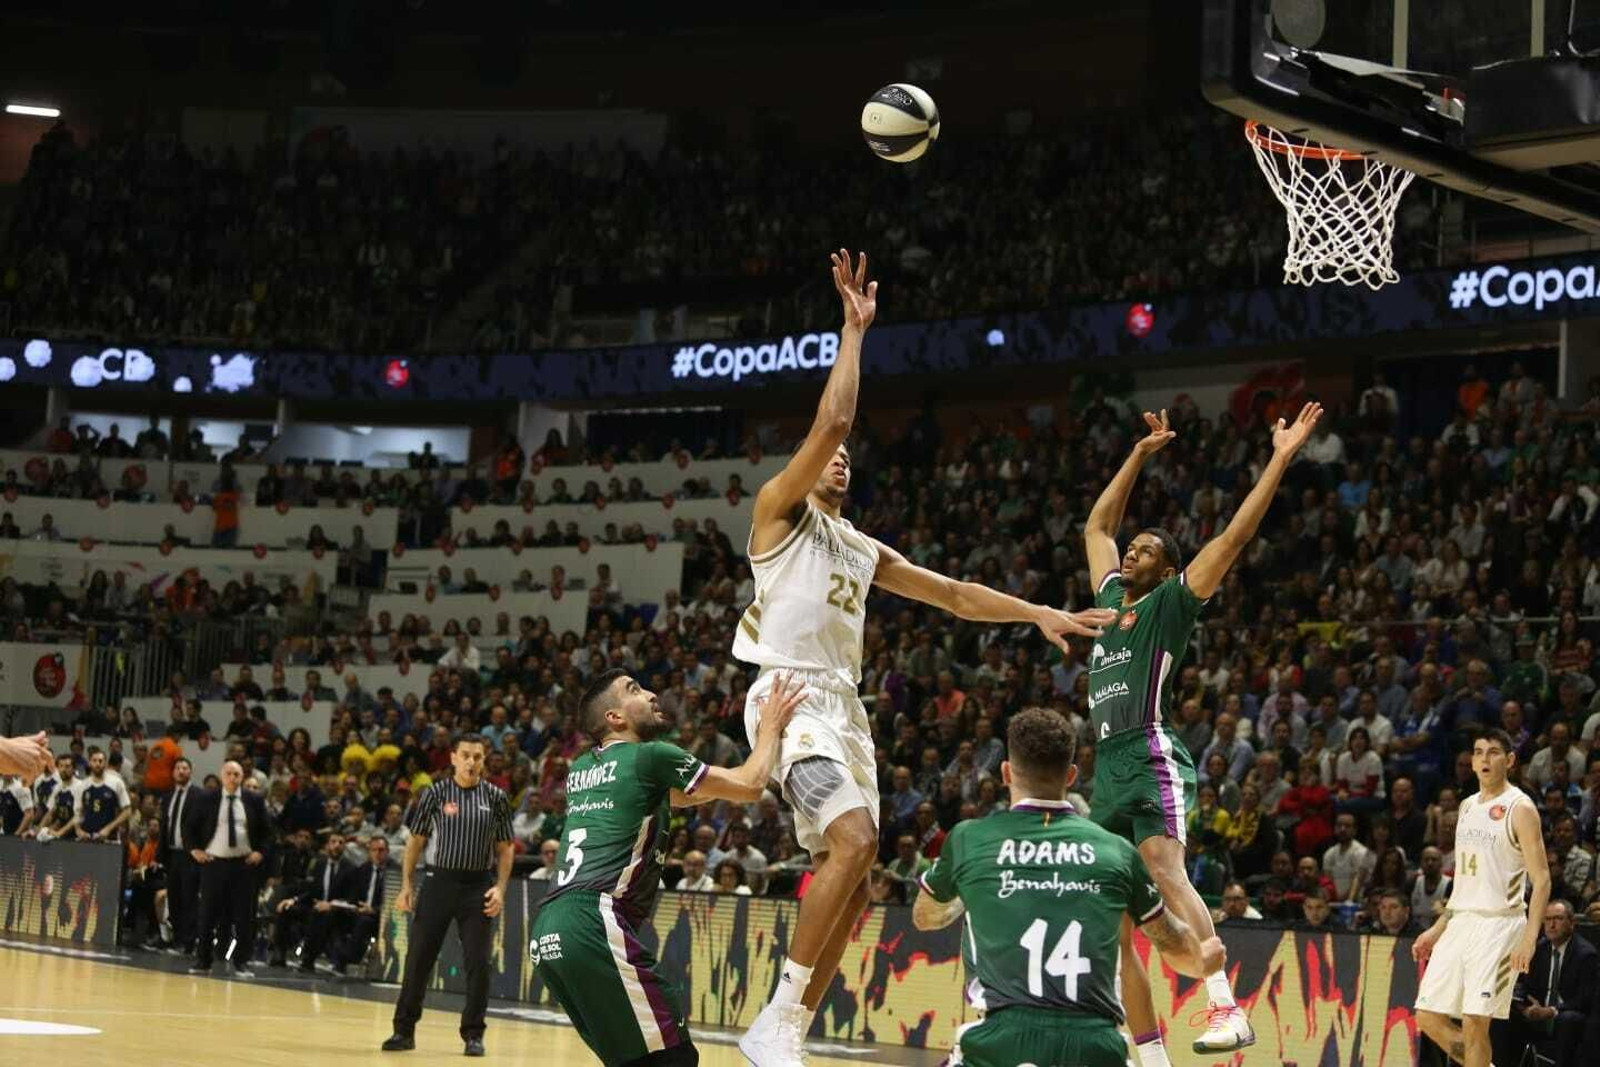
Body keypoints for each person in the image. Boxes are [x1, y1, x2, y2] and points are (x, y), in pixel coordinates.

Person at [737, 251, 1113, 1066]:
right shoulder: (776, 513)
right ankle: (777, 1010)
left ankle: (789, 1027)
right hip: (791, 696)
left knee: (863, 875)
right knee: (853, 836)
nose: (841, 455)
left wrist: (1038, 611)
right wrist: (852, 331)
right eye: (829, 453)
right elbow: (833, 423)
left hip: (847, 706)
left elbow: (954, 593)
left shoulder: (859, 545)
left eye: (847, 457)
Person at [1078, 402, 1323, 1054]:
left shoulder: (1171, 604)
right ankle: (1150, 1051)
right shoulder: (1108, 601)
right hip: (1107, 763)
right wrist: (1138, 454)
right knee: (1113, 911)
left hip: (1150, 750)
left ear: (1165, 568)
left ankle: (1226, 1007)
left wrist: (1279, 456)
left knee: (1162, 865)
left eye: (1148, 549)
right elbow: (1098, 523)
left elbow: (1235, 539)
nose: (1132, 550)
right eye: (1134, 547)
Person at [910, 708, 1223, 1067]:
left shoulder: (969, 839)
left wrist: (969, 896)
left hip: (1001, 1041)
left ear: (1006, 773)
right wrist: (1203, 960)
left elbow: (924, 917)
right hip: (1096, 1047)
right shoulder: (1116, 851)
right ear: (1071, 775)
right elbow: (1171, 942)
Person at [531, 669, 805, 1067]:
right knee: (672, 1055)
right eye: (635, 690)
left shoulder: (582, 769)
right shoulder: (651, 756)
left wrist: (713, 784)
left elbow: (675, 795)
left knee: (639, 1059)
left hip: (549, 931)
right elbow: (749, 785)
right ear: (615, 718)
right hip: (594, 919)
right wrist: (772, 728)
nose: (652, 693)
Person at [1413, 730, 1551, 1067]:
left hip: (1500, 925)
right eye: (1478, 753)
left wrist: (1529, 940)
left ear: (1510, 760)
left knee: (1475, 1022)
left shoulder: (1520, 808)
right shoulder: (1466, 807)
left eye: (1493, 752)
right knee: (1427, 1016)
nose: (1484, 759)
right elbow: (1464, 883)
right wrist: (1437, 929)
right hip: (1463, 921)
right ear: (1472, 762)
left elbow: (1543, 879)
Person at [385, 733, 515, 1057]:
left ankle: (473, 1034)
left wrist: (499, 888)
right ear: (453, 758)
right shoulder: (435, 793)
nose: (472, 762)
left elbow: (506, 847)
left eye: (478, 757)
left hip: (477, 886)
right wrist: (406, 885)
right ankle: (403, 1031)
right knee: (418, 959)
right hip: (439, 882)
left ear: (484, 761)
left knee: (479, 963)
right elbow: (414, 842)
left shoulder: (497, 797)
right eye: (466, 755)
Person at [184, 760, 270, 977]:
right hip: (214, 863)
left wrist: (260, 852)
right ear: (222, 776)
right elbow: (189, 827)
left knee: (244, 916)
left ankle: (241, 962)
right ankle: (203, 960)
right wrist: (194, 850)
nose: (233, 778)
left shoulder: (254, 800)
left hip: (243, 865)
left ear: (242, 777)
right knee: (207, 914)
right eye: (229, 774)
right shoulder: (207, 799)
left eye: (237, 774)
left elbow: (268, 832)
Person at [1492, 900, 1596, 1067]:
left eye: (1558, 919)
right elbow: (1525, 985)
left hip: (1564, 1017)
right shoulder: (1540, 948)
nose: (1551, 925)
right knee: (1502, 1014)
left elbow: (1585, 1000)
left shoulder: (1585, 954)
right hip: (1537, 1014)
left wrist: (1551, 1011)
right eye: (1547, 919)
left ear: (1572, 923)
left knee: (1569, 1019)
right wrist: (1521, 1005)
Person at [270, 831, 351, 972]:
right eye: (333, 842)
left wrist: (331, 904)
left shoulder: (350, 869)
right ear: (327, 846)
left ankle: (309, 958)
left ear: (344, 847)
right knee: (286, 909)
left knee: (319, 914)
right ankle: (279, 953)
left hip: (337, 911)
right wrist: (292, 900)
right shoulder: (319, 864)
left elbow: (352, 897)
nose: (337, 845)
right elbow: (310, 889)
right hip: (315, 905)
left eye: (341, 842)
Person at [159, 757, 199, 953]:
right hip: (172, 854)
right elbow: (164, 827)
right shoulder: (168, 797)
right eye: (178, 768)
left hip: (189, 855)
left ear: (190, 772)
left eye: (185, 768)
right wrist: (161, 856)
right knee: (173, 898)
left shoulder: (199, 795)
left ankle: (189, 943)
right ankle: (178, 940)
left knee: (188, 899)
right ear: (173, 772)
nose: (181, 771)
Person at [65, 746, 132, 842]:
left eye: (101, 761)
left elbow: (127, 811)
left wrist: (108, 828)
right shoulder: (83, 785)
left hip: (109, 838)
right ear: (89, 762)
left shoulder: (116, 783)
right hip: (86, 838)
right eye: (94, 761)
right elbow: (77, 812)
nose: (97, 764)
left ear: (105, 763)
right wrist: (78, 829)